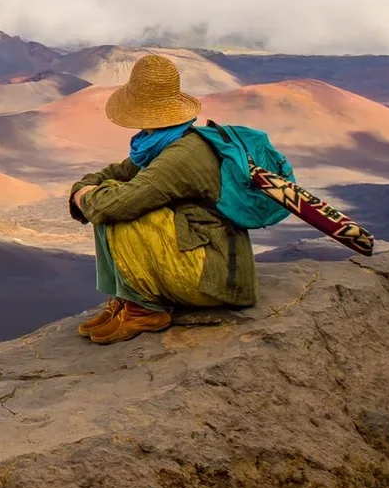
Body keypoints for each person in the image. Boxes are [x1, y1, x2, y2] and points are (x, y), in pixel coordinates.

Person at [69, 53, 257, 344]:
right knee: (107, 196)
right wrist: (84, 189)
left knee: (123, 211)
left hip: (215, 277)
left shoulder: (182, 155)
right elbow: (118, 172)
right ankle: (124, 299)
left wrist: (86, 196)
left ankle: (143, 310)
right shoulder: (162, 142)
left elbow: (119, 202)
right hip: (203, 261)